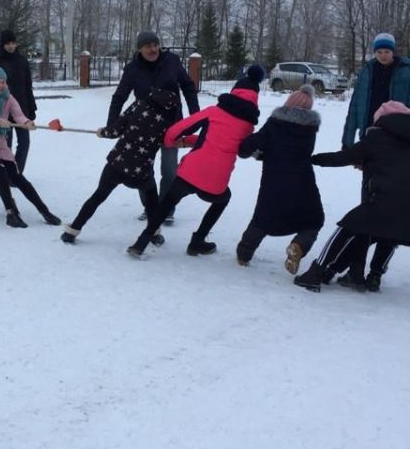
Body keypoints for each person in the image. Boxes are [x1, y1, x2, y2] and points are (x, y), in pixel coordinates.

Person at [127, 65, 263, 259]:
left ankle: (141, 243)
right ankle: (197, 241)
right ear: (255, 99)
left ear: (234, 91)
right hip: (216, 182)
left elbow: (179, 129)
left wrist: (170, 141)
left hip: (189, 173)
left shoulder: (214, 112)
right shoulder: (248, 126)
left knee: (167, 202)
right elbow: (238, 150)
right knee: (223, 199)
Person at [294, 100, 410, 292]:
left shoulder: (377, 137)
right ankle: (372, 277)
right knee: (385, 233)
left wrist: (312, 159)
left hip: (382, 201)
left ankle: (315, 273)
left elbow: (343, 158)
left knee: (347, 228)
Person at [61, 88, 179, 245]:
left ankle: (72, 231)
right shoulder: (170, 120)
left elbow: (115, 130)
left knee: (98, 197)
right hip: (141, 171)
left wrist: (103, 132)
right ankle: (154, 234)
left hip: (117, 164)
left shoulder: (139, 104)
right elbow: (170, 141)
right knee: (152, 201)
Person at [339, 32, 410, 286]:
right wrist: (349, 143)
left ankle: (376, 274)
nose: (382, 55)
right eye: (379, 51)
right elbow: (356, 106)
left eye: (386, 52)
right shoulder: (367, 71)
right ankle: (356, 271)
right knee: (367, 207)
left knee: (393, 209)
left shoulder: (406, 71)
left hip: (399, 144)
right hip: (371, 142)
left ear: (393, 51)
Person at [107, 31, 199, 224]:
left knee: (169, 170)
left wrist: (195, 116)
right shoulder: (132, 69)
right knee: (141, 170)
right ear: (140, 49)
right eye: (148, 46)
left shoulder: (171, 61)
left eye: (155, 45)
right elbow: (119, 97)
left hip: (172, 126)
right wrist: (112, 126)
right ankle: (150, 208)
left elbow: (188, 87)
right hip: (143, 129)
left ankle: (166, 208)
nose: (152, 49)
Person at [235, 84, 324, 273]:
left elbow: (254, 145)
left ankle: (244, 254)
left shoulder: (276, 123)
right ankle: (299, 245)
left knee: (262, 220)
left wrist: (248, 150)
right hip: (303, 181)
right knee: (313, 220)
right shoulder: (310, 130)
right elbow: (290, 151)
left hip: (274, 181)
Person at [0, 66, 60, 228]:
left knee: (18, 177)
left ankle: (44, 210)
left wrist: (26, 123)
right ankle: (11, 214)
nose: (0, 85)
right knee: (1, 174)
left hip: (0, 142)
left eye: (3, 82)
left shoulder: (8, 97)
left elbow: (18, 114)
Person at [0, 29, 37, 173]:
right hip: (2, 109)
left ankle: (17, 173)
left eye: (13, 43)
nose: (11, 46)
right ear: (2, 44)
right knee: (6, 144)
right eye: (8, 43)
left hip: (21, 109)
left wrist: (32, 108)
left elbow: (28, 86)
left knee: (24, 142)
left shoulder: (22, 61)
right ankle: (7, 173)